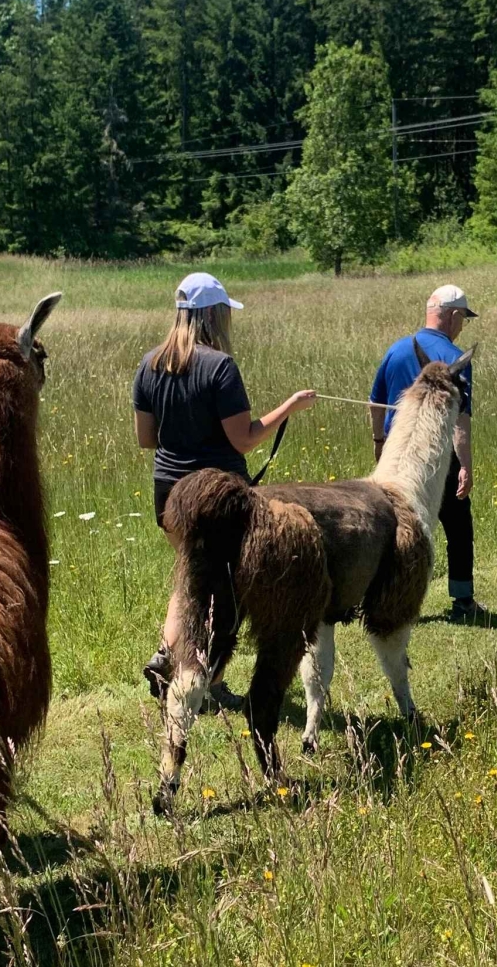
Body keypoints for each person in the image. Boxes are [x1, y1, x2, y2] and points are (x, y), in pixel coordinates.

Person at [134, 272, 316, 699]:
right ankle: (193, 670)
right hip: (218, 499)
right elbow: (245, 438)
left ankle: (179, 662)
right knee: (219, 591)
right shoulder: (220, 367)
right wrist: (290, 407)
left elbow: (146, 439)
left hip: (169, 492)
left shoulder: (149, 364)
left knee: (190, 579)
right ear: (214, 315)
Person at [370, 284, 485, 621]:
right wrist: (464, 463)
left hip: (395, 455)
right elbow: (460, 418)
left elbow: (374, 402)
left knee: (391, 526)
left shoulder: (396, 350)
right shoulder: (454, 359)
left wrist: (379, 443)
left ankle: (384, 594)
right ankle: (462, 599)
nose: (462, 325)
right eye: (463, 318)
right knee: (457, 526)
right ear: (452, 315)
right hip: (436, 458)